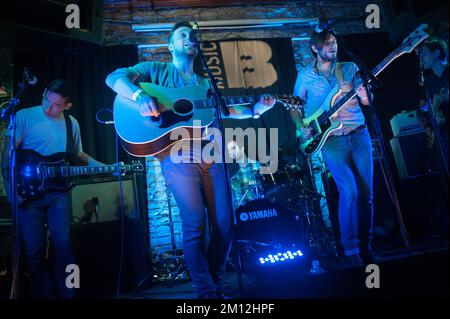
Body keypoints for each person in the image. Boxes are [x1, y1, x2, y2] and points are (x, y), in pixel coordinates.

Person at [106, 21, 275, 298]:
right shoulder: (156, 70)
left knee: (224, 225)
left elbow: (228, 109)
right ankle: (206, 291)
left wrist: (257, 110)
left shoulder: (205, 83)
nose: (190, 38)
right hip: (177, 154)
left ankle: (216, 283)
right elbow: (113, 78)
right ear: (171, 44)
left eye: (192, 35)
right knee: (195, 223)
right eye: (183, 34)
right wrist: (140, 96)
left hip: (212, 153)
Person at [1, 79, 104, 298]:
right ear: (45, 92)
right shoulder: (23, 116)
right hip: (27, 194)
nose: (49, 107)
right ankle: (44, 294)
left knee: (65, 245)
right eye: (47, 100)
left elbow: (78, 153)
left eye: (56, 105)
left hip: (58, 193)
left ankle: (69, 290)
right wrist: (11, 192)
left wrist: (104, 167)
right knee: (33, 251)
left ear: (67, 106)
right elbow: (7, 156)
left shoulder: (71, 123)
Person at [290, 29, 374, 267]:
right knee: (349, 191)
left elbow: (368, 101)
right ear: (315, 48)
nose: (332, 47)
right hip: (331, 140)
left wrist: (364, 95)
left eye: (335, 42)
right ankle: (350, 251)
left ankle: (367, 248)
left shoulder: (348, 68)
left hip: (359, 134)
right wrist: (300, 127)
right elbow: (295, 107)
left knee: (367, 195)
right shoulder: (304, 75)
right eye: (327, 44)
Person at [416, 37, 449, 238]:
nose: (422, 58)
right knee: (444, 181)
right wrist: (426, 122)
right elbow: (421, 109)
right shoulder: (428, 81)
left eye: (425, 52)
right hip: (439, 136)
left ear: (437, 53)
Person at [227, 139, 262, 208]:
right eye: (229, 151)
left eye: (233, 148)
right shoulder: (231, 175)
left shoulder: (257, 166)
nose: (231, 152)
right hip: (243, 213)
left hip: (261, 208)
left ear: (242, 147)